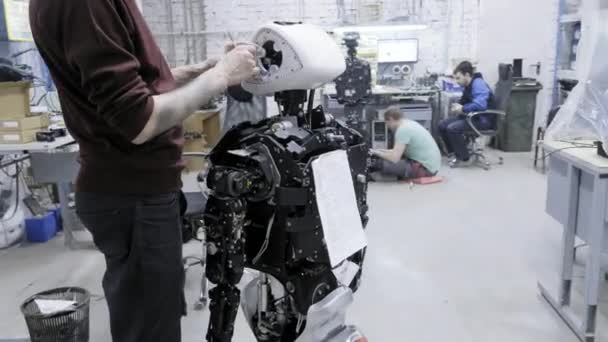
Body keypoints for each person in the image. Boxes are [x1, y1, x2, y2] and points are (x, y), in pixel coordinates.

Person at [29, 1, 259, 341]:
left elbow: (129, 87)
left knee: (151, 317)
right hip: (132, 196)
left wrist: (199, 71)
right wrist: (220, 76)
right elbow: (139, 120)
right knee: (150, 331)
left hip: (133, 192)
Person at [438, 61, 494, 167]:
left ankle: (464, 157)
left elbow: (481, 105)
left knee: (452, 128)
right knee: (442, 125)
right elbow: (465, 101)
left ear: (467, 75)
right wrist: (457, 106)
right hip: (472, 117)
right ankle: (453, 154)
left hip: (483, 120)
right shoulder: (468, 85)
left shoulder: (478, 83)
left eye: (458, 78)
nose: (456, 81)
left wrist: (463, 108)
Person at [371, 107, 441, 180]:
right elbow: (396, 151)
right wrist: (378, 151)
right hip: (432, 166)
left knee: (380, 164)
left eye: (387, 123)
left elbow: (394, 158)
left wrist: (377, 153)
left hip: (425, 169)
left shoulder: (402, 130)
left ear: (391, 119)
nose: (387, 126)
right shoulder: (408, 123)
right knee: (386, 161)